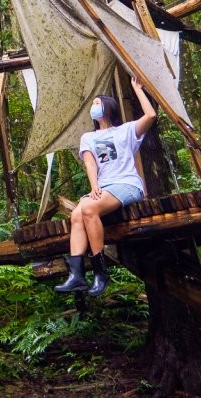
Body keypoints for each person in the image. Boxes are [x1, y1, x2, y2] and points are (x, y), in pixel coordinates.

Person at [54, 78, 158, 295]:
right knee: (76, 215)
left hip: (127, 184)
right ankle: (77, 276)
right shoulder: (88, 137)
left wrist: (138, 90)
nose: (93, 107)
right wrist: (94, 187)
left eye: (97, 103)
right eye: (92, 104)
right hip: (103, 187)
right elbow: (90, 163)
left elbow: (150, 116)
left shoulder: (126, 131)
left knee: (89, 209)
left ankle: (101, 273)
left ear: (108, 107)